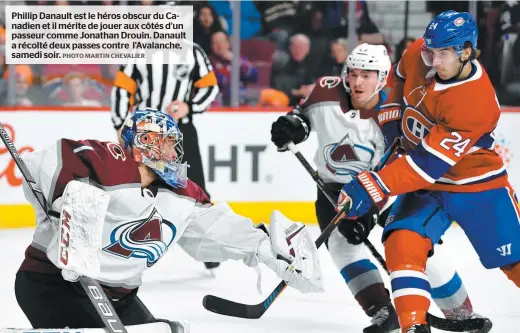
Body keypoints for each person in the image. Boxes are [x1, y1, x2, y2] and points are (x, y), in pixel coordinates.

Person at [14, 109, 323, 331]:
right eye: (166, 142)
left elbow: (219, 230)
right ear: (142, 144)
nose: (174, 152)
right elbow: (38, 163)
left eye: (175, 144)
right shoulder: (108, 162)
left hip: (118, 297)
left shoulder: (182, 195)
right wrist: (62, 203)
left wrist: (268, 251)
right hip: (50, 283)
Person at [271, 43, 490, 333]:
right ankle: (383, 310)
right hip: (332, 189)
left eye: (367, 75)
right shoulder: (325, 89)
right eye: (354, 73)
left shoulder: (395, 114)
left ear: (383, 77)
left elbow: (397, 170)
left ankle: (461, 312)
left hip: (386, 191)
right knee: (341, 247)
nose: (358, 82)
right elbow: (303, 115)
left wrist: (368, 211)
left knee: (416, 248)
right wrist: (293, 125)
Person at [335, 11, 519, 333]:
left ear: (465, 51)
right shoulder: (419, 52)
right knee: (401, 241)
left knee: (513, 260)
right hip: (429, 189)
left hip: (477, 184)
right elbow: (399, 79)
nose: (432, 61)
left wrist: (371, 185)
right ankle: (413, 326)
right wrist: (393, 122)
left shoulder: (475, 102)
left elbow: (425, 167)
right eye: (429, 52)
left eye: (442, 53)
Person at [111, 39, 220, 270]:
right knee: (138, 189)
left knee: (195, 188)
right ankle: (123, 248)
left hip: (182, 131)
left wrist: (189, 105)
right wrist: (121, 125)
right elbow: (122, 89)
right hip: (146, 132)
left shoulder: (193, 50)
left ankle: (210, 247)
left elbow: (210, 87)